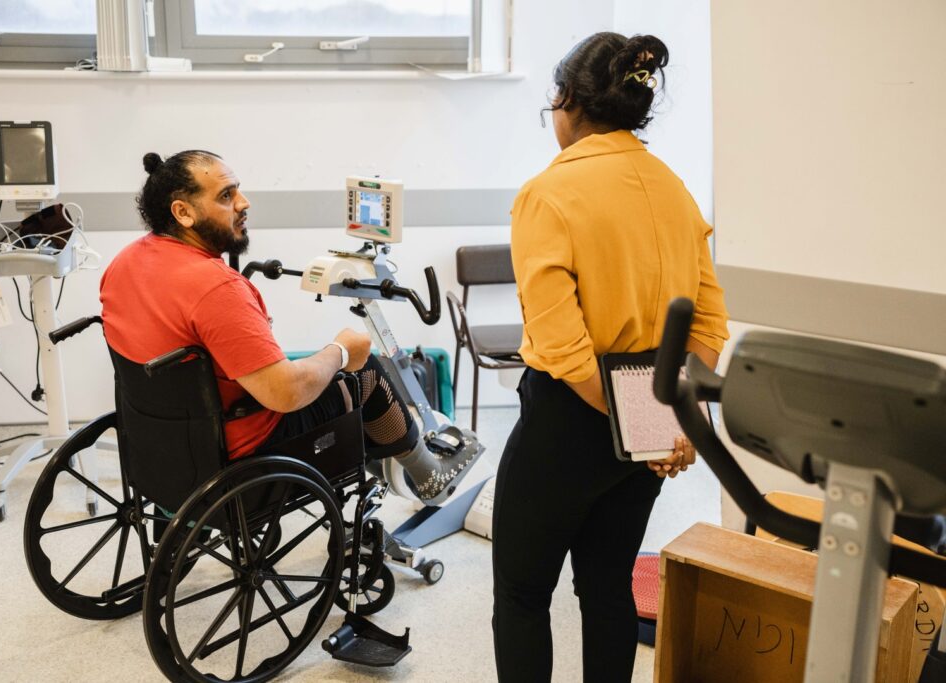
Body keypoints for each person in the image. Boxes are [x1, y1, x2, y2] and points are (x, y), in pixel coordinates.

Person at [491, 33, 730, 682]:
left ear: (566, 100)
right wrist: (666, 421)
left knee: (520, 592)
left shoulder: (548, 193)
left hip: (570, 419)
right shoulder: (673, 189)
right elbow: (710, 324)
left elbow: (567, 353)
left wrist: (647, 426)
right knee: (606, 587)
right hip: (649, 410)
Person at [99, 149, 475, 504]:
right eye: (227, 196)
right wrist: (341, 350)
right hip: (238, 456)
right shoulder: (216, 287)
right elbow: (286, 394)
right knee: (366, 370)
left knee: (328, 374)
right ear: (183, 212)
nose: (244, 203)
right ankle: (429, 475)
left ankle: (383, 449)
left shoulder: (125, 263)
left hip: (161, 450)